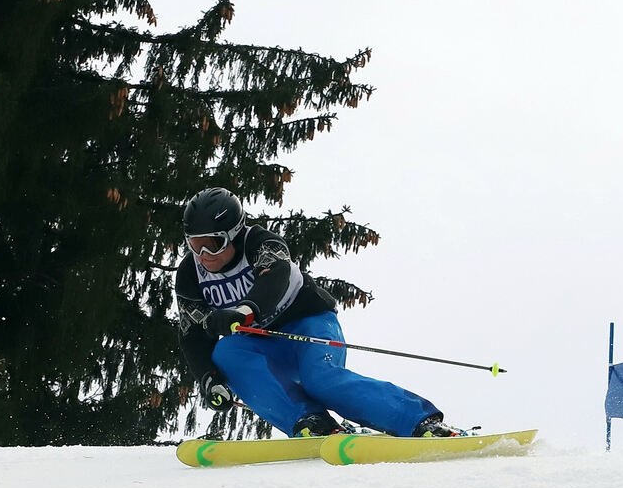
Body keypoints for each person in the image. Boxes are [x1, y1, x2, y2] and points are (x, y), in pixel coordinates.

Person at [174, 186, 464, 438]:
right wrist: (209, 379)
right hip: (263, 343)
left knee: (321, 381)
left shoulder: (261, 243)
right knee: (226, 354)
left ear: (234, 234)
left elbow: (275, 277)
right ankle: (309, 421)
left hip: (309, 325)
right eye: (194, 245)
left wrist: (245, 310)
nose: (203, 256)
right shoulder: (190, 274)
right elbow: (192, 333)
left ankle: (417, 420)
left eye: (213, 244)